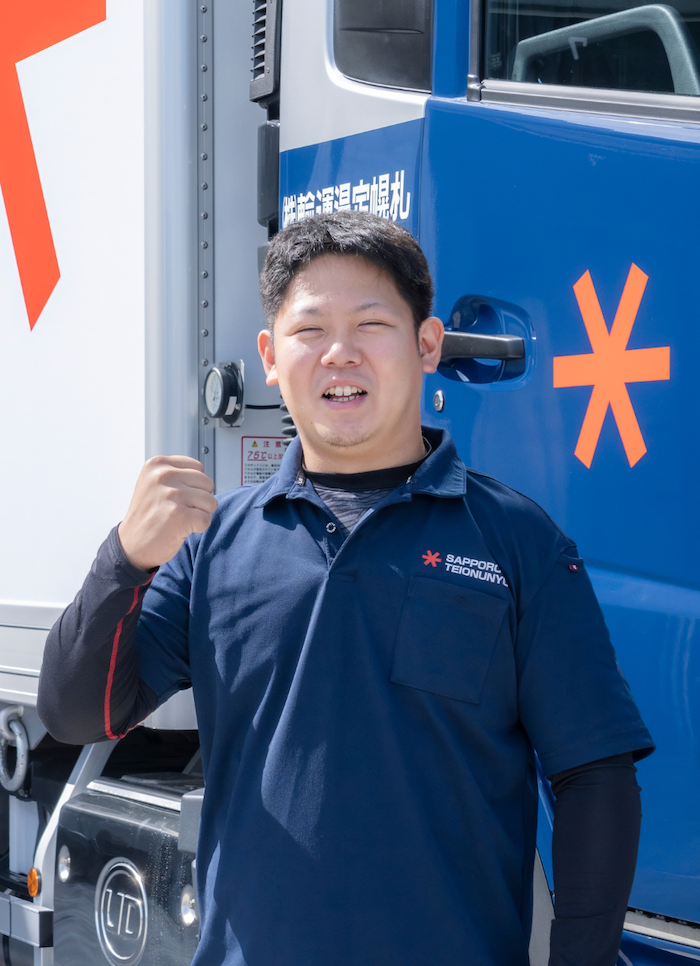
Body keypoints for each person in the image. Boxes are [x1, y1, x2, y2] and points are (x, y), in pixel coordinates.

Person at [38, 211, 654, 966]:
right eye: (309, 330)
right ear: (270, 357)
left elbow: (594, 776)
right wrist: (125, 559)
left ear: (427, 345)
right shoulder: (215, 546)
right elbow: (76, 712)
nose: (340, 353)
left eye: (372, 325)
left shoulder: (517, 541)